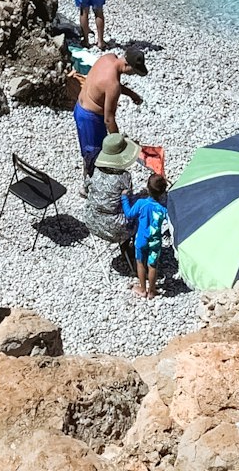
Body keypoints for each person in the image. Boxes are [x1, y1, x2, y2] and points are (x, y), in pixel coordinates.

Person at [73, 46, 147, 189]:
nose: (133, 75)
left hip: (80, 107)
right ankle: (89, 187)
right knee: (93, 153)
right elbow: (109, 119)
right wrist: (118, 144)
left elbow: (107, 86)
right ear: (127, 66)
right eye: (134, 72)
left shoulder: (107, 58)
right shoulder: (113, 84)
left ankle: (89, 180)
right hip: (91, 118)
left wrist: (131, 94)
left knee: (89, 150)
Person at [82, 132, 138, 247]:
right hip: (115, 229)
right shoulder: (124, 177)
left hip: (92, 221)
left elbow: (85, 190)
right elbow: (128, 202)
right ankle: (127, 250)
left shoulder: (95, 171)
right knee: (139, 214)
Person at [122, 173, 169, 299]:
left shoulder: (141, 203)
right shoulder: (162, 209)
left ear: (147, 188)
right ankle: (152, 291)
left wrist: (124, 199)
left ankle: (143, 289)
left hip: (141, 239)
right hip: (155, 241)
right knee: (153, 265)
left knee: (140, 262)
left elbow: (129, 214)